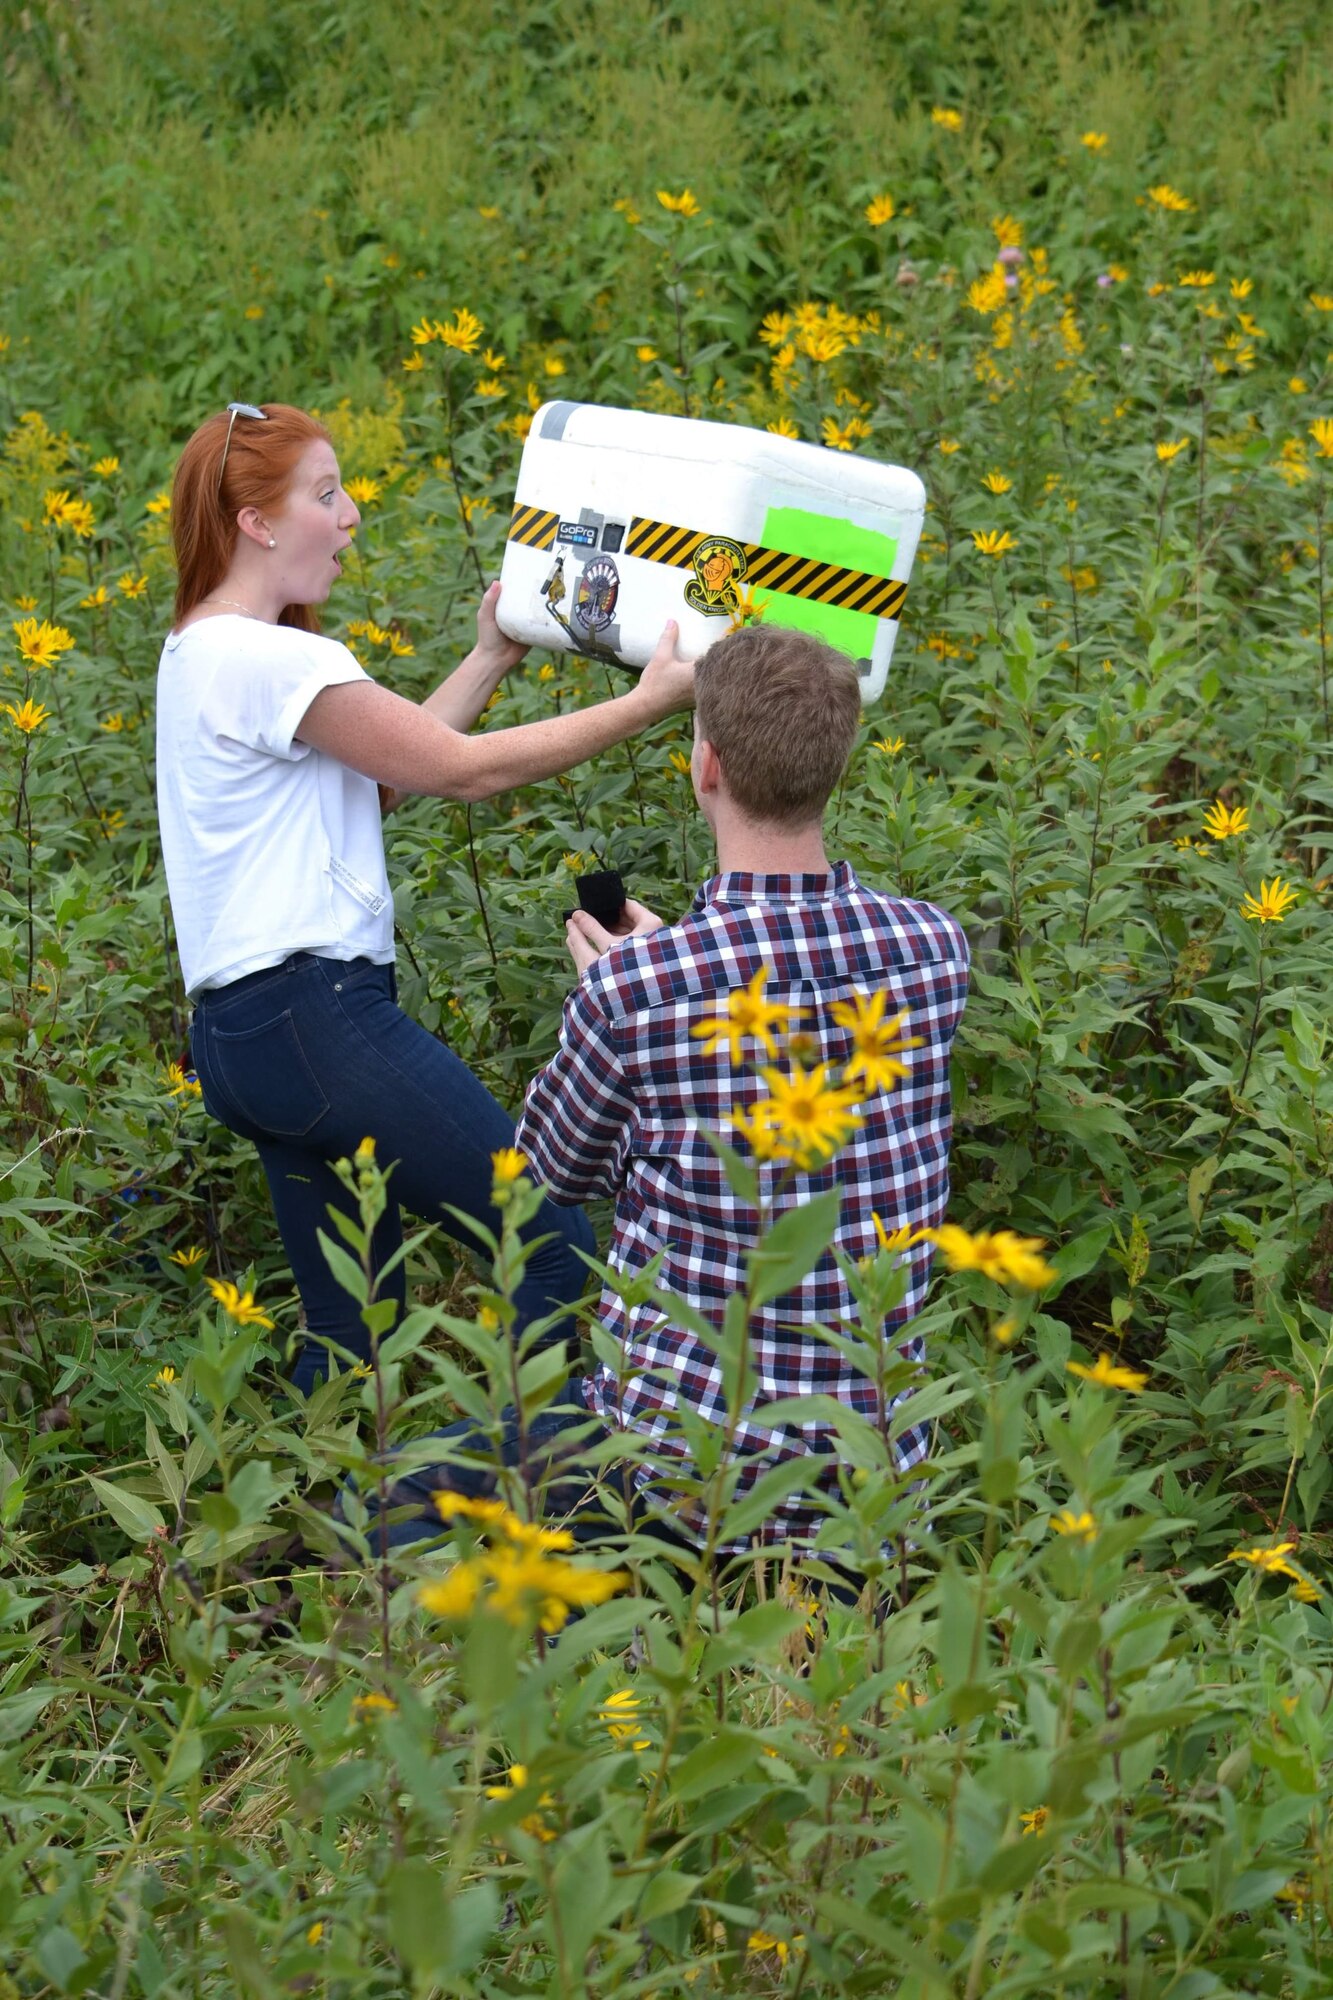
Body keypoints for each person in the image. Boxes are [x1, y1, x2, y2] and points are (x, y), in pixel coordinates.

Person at [368, 623, 969, 1567]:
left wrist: (617, 995)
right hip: (871, 1481)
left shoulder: (642, 988)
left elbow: (543, 1177)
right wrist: (666, 971)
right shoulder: (934, 950)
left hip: (680, 1471)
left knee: (414, 1492)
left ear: (705, 766)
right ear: (838, 765)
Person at [157, 401, 694, 1395]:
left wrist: (490, 653)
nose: (351, 512)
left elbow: (389, 772)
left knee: (352, 1326)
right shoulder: (269, 656)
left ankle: (332, 1527)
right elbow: (458, 772)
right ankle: (532, 1487)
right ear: (256, 522)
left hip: (245, 1040)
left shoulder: (200, 653)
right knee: (551, 1247)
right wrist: (646, 701)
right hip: (313, 1016)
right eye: (326, 493)